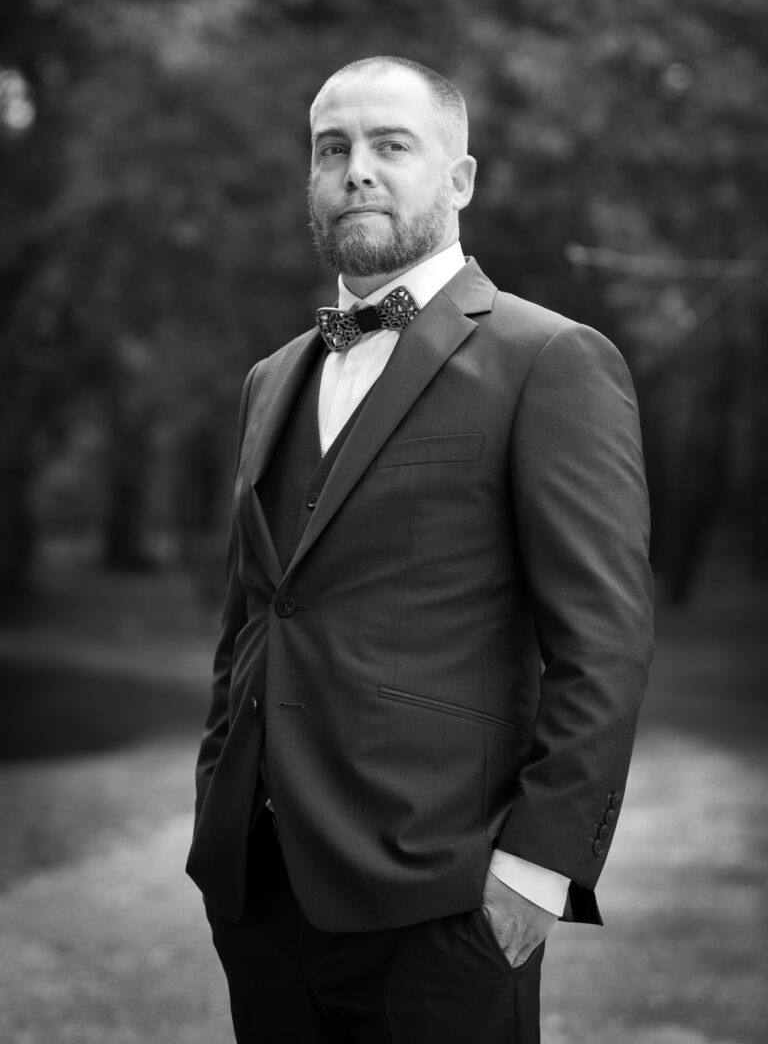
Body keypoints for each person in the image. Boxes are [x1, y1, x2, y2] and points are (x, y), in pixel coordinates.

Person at [186, 55, 654, 1043]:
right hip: (261, 897)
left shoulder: (548, 360)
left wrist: (535, 870)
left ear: (460, 179)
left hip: (441, 903)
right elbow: (253, 617)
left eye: (392, 145)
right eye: (332, 148)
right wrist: (215, 813)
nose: (357, 169)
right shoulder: (270, 378)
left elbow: (603, 644)